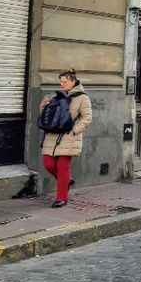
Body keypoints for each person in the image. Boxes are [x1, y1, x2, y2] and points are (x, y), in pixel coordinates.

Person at [40, 68, 93, 208]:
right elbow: (48, 115)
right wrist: (44, 106)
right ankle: (67, 181)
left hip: (69, 137)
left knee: (63, 167)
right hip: (52, 135)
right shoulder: (58, 96)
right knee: (48, 163)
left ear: (72, 81)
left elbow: (87, 118)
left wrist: (74, 131)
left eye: (64, 82)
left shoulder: (83, 97)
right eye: (60, 82)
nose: (61, 84)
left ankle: (61, 197)